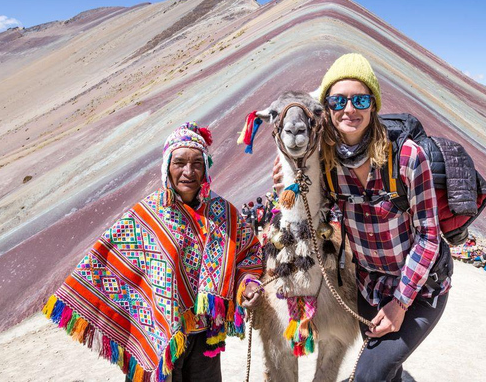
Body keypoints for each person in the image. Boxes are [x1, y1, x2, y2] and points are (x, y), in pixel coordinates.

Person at [276, 53, 453, 382]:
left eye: (360, 99)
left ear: (373, 105)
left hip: (420, 290)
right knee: (387, 372)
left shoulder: (406, 159)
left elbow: (429, 237)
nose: (349, 109)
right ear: (327, 109)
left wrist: (400, 304)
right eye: (338, 100)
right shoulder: (328, 166)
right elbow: (306, 206)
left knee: (369, 376)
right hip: (371, 288)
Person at [44, 122, 263, 382]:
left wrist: (247, 285)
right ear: (166, 167)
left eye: (197, 163)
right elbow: (110, 263)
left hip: (206, 338)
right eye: (179, 162)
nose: (188, 172)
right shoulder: (146, 216)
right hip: (157, 337)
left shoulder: (224, 214)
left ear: (206, 167)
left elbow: (248, 257)